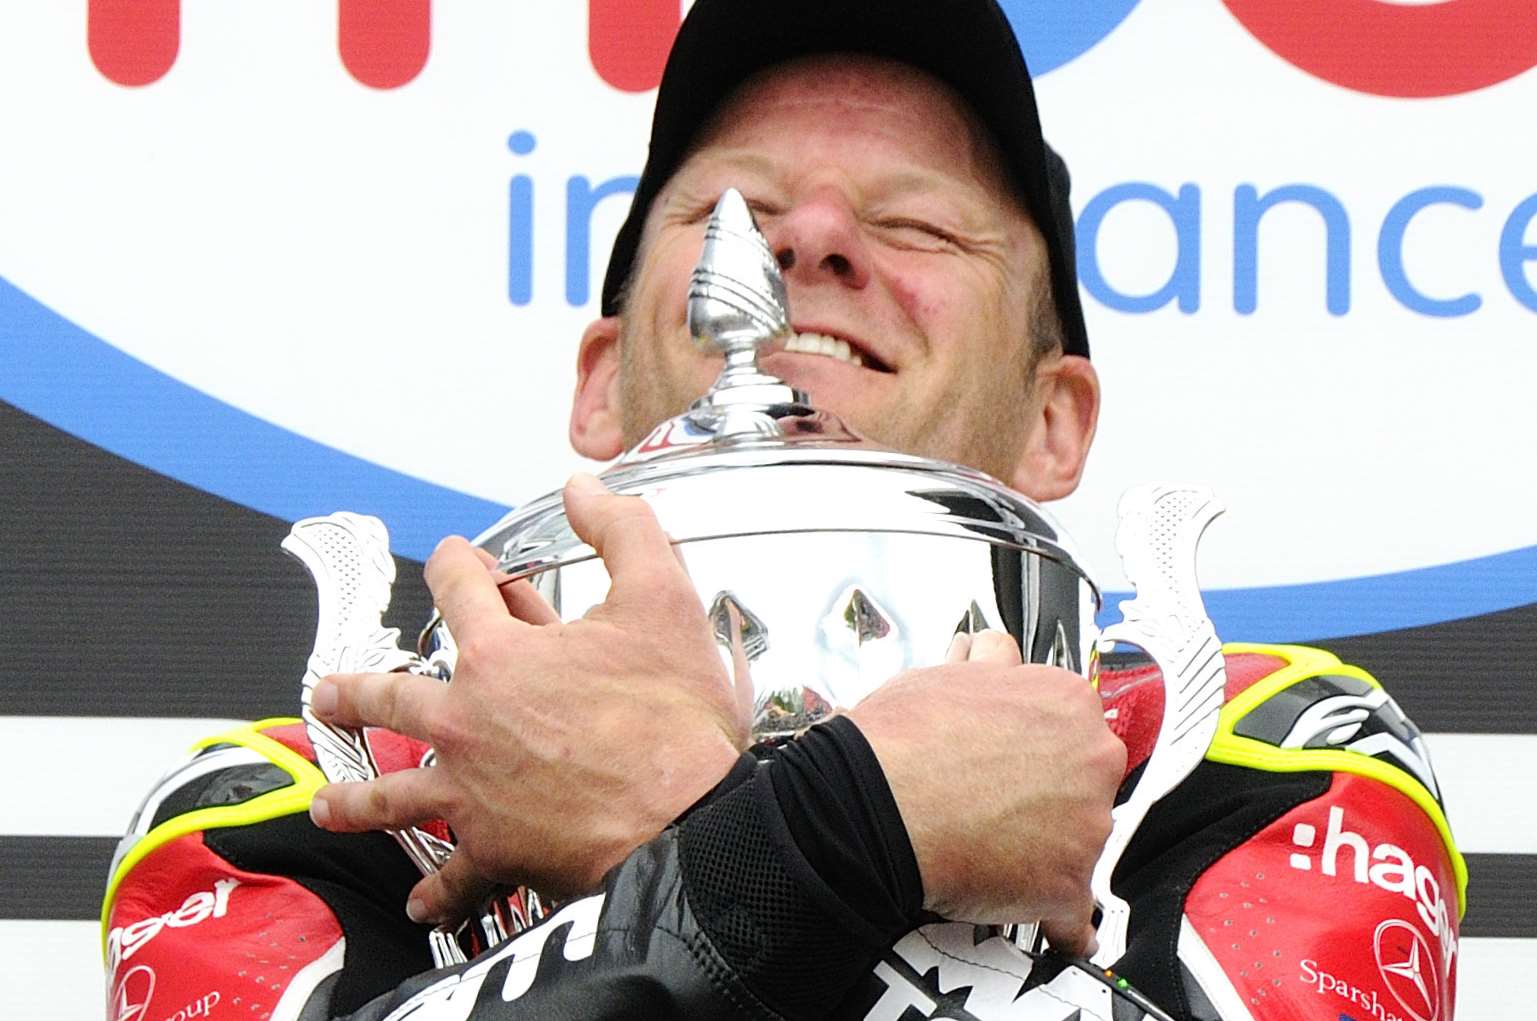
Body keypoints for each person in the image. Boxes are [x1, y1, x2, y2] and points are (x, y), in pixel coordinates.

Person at [100, 2, 1465, 1019]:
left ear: (1056, 422)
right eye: (731, 210)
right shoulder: (304, 796)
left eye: (919, 225)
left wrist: (688, 829)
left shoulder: (1262, 749)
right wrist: (855, 826)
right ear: (597, 386)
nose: (802, 244)